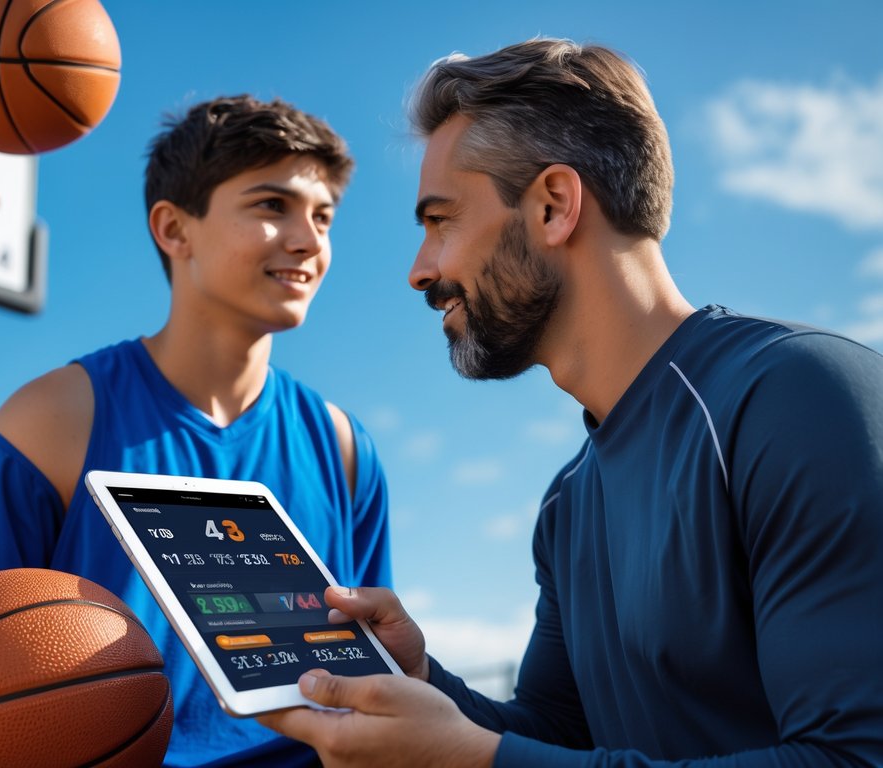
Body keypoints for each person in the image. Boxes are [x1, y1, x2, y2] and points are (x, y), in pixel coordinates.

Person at [258, 38, 883, 766]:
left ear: (553, 206)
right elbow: (556, 734)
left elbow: (854, 758)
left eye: (440, 220)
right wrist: (421, 679)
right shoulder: (568, 501)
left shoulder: (799, 398)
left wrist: (472, 762)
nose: (419, 270)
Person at [0, 95, 392, 767]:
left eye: (323, 217)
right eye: (271, 206)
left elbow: (375, 687)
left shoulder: (343, 448)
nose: (309, 240)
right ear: (174, 230)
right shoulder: (51, 421)